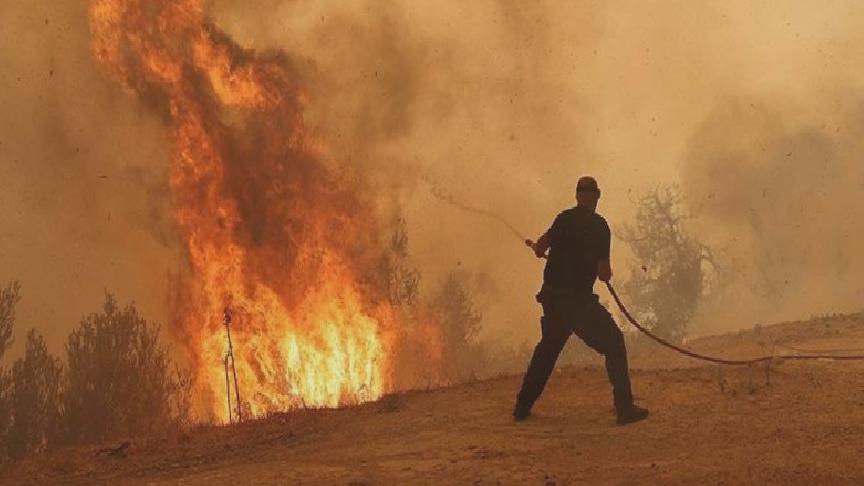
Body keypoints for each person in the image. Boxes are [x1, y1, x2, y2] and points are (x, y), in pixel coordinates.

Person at [513, 176, 649, 425]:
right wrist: (600, 270)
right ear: (597, 197)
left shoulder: (563, 219)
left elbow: (541, 247)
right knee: (614, 343)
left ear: (577, 196)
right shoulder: (599, 227)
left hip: (554, 300)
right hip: (579, 304)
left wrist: (540, 250)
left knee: (547, 351)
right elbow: (603, 273)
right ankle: (624, 408)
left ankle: (522, 406)